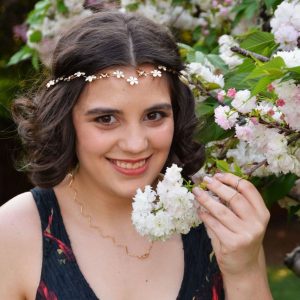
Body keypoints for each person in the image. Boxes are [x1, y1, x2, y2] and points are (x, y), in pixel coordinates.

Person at [0, 10, 272, 300]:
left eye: (154, 115)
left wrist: (244, 271)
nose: (135, 144)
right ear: (66, 120)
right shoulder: (13, 233)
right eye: (106, 119)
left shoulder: (220, 224)